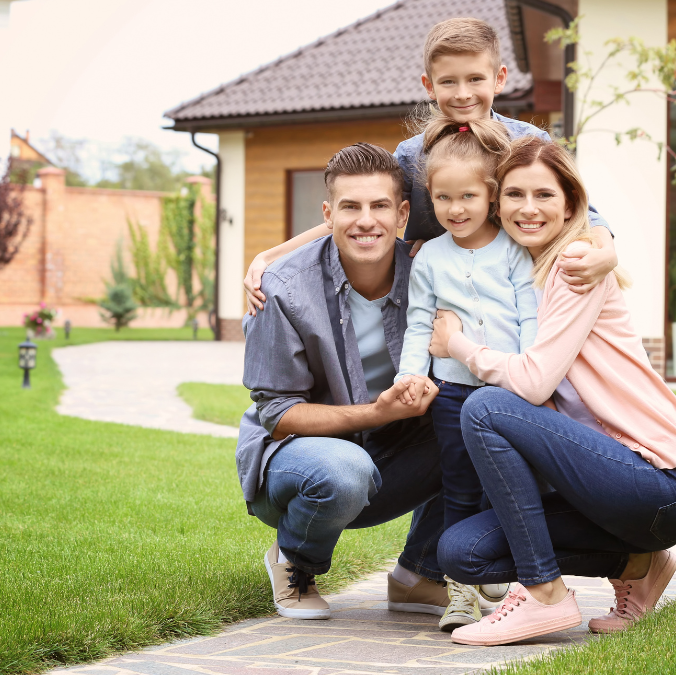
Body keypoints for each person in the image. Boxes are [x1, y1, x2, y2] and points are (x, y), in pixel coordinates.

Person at [428, 136, 676, 646]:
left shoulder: (576, 262)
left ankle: (544, 595)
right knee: (461, 552)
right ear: (496, 202)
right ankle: (640, 563)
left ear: (572, 204)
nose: (527, 209)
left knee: (486, 406)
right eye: (514, 195)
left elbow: (531, 384)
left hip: (658, 482)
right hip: (605, 490)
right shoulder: (523, 273)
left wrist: (458, 345)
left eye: (544, 195)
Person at [241, 17, 619, 317]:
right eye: (448, 82)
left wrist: (607, 253)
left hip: (520, 291)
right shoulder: (413, 154)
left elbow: (586, 213)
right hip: (440, 297)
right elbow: (362, 209)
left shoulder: (529, 144)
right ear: (429, 85)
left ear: (499, 78)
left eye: (475, 79)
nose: (463, 93)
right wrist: (270, 256)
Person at [238, 142, 452, 620]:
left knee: (484, 420)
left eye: (379, 206)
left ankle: (421, 573)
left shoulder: (430, 273)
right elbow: (276, 415)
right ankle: (294, 561)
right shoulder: (283, 289)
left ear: (401, 215)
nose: (365, 221)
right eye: (350, 207)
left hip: (392, 454)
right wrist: (377, 413)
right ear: (328, 213)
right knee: (344, 469)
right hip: (299, 465)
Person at [393, 114, 535, 631]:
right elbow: (417, 326)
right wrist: (410, 376)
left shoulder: (516, 250)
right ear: (429, 198)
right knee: (458, 488)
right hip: (452, 392)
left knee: (509, 486)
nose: (455, 210)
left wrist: (533, 375)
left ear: (491, 197)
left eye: (468, 198)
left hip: (508, 393)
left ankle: (510, 581)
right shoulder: (429, 256)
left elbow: (531, 319)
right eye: (443, 199)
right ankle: (459, 593)